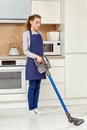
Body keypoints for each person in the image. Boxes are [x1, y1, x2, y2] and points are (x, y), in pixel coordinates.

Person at [23, 14, 46, 116]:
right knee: (32, 86)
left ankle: (36, 107)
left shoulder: (40, 34)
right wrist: (36, 56)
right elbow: (25, 51)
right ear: (31, 22)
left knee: (38, 86)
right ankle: (30, 108)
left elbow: (41, 49)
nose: (39, 24)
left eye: (40, 22)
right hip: (32, 63)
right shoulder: (26, 34)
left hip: (40, 62)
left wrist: (43, 58)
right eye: (37, 22)